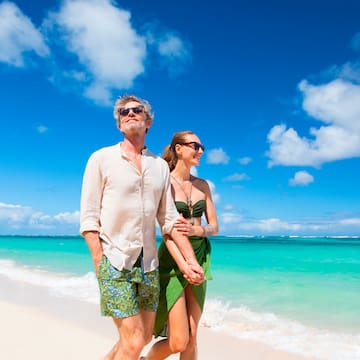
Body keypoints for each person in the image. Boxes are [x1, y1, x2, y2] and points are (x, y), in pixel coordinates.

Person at [79, 96, 205, 360]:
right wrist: (99, 261)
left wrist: (190, 261)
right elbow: (89, 219)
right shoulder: (101, 159)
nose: (130, 114)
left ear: (148, 122)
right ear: (119, 124)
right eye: (124, 112)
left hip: (148, 265)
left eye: (137, 110)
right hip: (114, 261)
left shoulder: (159, 166)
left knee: (142, 338)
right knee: (134, 340)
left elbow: (169, 220)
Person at [143, 130, 219, 360]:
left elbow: (214, 227)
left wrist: (199, 230)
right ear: (179, 148)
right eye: (195, 146)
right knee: (179, 340)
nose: (200, 151)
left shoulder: (203, 185)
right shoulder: (164, 182)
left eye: (201, 146)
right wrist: (185, 265)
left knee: (193, 337)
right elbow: (167, 232)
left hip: (200, 255)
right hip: (172, 259)